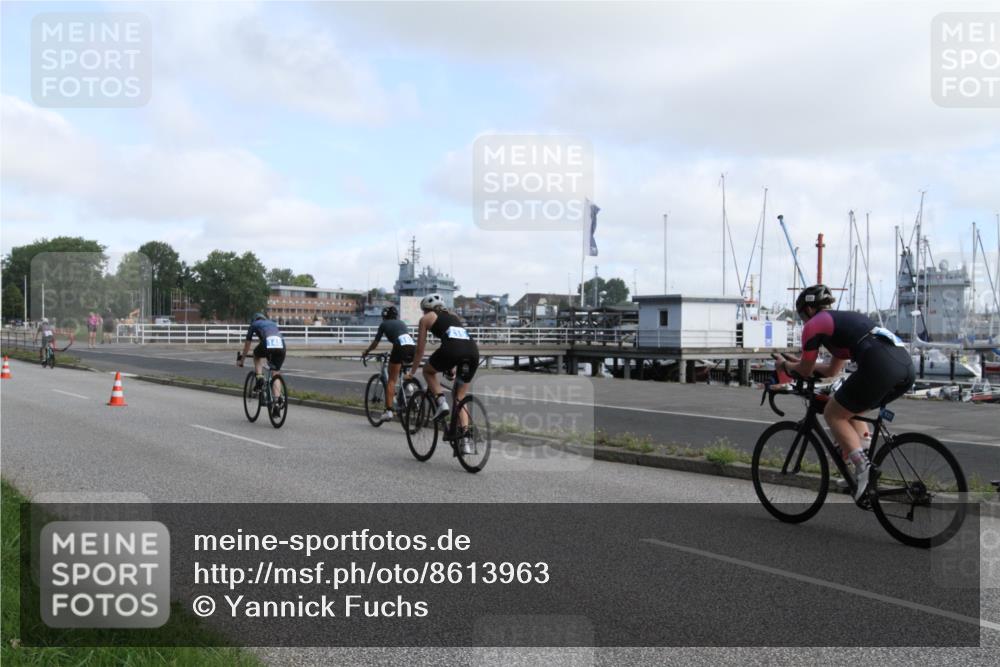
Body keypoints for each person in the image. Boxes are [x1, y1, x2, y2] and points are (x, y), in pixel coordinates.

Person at [775, 284, 915, 502]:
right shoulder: (842, 322)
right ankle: (864, 458)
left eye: (802, 315)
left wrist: (785, 366)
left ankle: (863, 470)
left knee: (833, 413)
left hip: (879, 366)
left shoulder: (814, 325)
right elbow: (831, 370)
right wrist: (799, 364)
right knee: (849, 407)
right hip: (904, 368)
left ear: (808, 310)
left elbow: (804, 371)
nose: (804, 321)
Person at [407, 294, 479, 454]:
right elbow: (456, 341)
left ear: (425, 309)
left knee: (427, 371)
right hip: (472, 351)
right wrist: (451, 368)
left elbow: (420, 350)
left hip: (453, 351)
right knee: (460, 396)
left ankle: (441, 402)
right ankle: (465, 441)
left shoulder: (426, 319)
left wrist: (412, 372)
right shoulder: (453, 316)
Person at [362, 306, 416, 422]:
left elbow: (375, 343)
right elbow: (401, 337)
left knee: (391, 380)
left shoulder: (384, 325)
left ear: (384, 316)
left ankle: (389, 411)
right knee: (402, 369)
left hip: (399, 347)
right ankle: (409, 389)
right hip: (412, 347)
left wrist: (367, 351)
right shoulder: (401, 323)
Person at [238, 312, 286, 414]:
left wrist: (242, 360)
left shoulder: (254, 325)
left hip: (267, 344)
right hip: (281, 346)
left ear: (254, 320)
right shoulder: (272, 323)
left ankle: (259, 378)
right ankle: (276, 403)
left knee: (256, 354)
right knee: (275, 372)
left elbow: (247, 345)